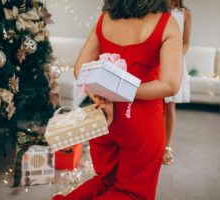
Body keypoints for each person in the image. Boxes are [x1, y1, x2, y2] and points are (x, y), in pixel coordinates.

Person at [53, 0, 183, 199]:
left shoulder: (105, 18)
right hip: (141, 121)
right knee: (132, 192)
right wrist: (121, 91)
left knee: (105, 181)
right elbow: (170, 85)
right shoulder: (167, 22)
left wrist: (104, 99)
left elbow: (81, 70)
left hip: (103, 116)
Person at [163, 0, 191, 165]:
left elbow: (186, 41)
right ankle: (155, 144)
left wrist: (175, 56)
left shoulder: (185, 13)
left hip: (176, 60)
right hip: (158, 59)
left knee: (170, 106)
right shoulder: (157, 9)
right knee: (155, 105)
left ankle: (167, 146)